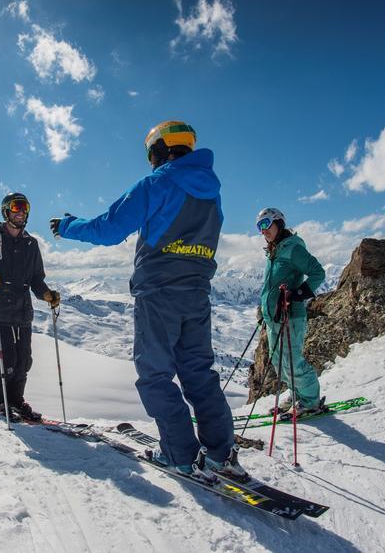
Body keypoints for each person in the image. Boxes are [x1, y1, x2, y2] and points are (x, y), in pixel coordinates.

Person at [50, 120, 246, 481]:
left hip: (159, 294)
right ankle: (221, 453)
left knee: (155, 376)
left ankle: (179, 455)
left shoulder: (158, 183)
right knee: (199, 374)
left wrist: (67, 226)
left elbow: (108, 228)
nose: (149, 160)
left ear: (161, 149)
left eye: (150, 153)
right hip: (198, 293)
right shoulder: (211, 191)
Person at [0, 192, 59, 422]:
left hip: (22, 310)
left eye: (25, 207)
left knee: (23, 360)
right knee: (4, 360)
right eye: (16, 207)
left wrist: (46, 294)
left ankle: (14, 401)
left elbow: (36, 279)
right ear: (6, 211)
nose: (21, 211)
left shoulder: (31, 244)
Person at [255, 207, 326, 417]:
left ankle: (311, 400)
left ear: (279, 223)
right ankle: (297, 395)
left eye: (266, 224)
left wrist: (299, 293)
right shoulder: (275, 251)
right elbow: (270, 286)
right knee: (279, 361)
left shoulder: (293, 249)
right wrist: (263, 310)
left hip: (290, 317)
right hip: (274, 317)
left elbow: (317, 273)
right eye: (259, 226)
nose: (263, 231)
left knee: (293, 361)